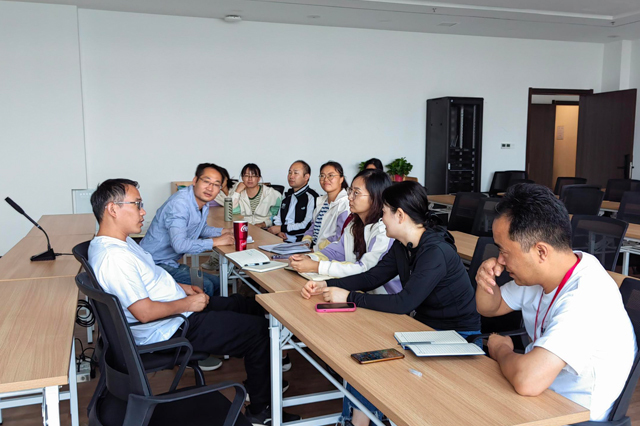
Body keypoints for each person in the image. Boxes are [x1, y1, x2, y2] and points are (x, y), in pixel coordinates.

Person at [87, 179, 300, 425]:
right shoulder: (114, 258)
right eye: (137, 204)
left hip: (174, 312)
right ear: (113, 209)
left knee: (247, 305)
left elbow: (149, 280)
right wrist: (187, 304)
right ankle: (261, 410)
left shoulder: (118, 243)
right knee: (260, 332)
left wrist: (181, 288)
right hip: (169, 326)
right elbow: (144, 312)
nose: (143, 211)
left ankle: (259, 380)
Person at [301, 181, 480, 426]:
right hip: (423, 330)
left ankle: (357, 422)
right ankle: (356, 421)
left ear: (400, 215)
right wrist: (327, 284)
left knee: (374, 362)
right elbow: (372, 277)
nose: (381, 218)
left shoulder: (435, 252)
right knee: (365, 355)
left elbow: (403, 303)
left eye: (384, 212)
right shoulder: (403, 246)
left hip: (456, 337)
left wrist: (349, 297)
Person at [475, 183, 636, 421]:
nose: (500, 260)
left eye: (504, 252)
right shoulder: (546, 272)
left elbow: (528, 381)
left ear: (541, 252)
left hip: (572, 416)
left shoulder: (587, 295)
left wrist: (501, 350)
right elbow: (491, 307)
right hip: (540, 398)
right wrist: (485, 281)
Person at [290, 169, 400, 294]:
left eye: (356, 193)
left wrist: (317, 266)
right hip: (357, 291)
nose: (349, 197)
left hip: (383, 296)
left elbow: (366, 270)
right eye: (350, 191)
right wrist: (308, 258)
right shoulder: (354, 224)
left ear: (375, 197)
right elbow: (335, 251)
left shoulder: (384, 231)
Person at [140, 163, 233, 298]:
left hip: (168, 262)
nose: (210, 188)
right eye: (206, 181)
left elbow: (199, 228)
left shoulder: (200, 202)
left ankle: (215, 310)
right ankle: (198, 311)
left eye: (216, 184)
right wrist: (216, 241)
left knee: (218, 283)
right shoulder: (180, 204)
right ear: (195, 181)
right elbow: (180, 245)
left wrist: (223, 231)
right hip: (153, 264)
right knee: (205, 286)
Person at [301, 161, 350, 250]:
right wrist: (306, 242)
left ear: (341, 179)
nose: (325, 179)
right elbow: (313, 227)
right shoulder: (321, 201)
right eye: (322, 176)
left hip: (330, 252)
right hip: (314, 249)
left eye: (331, 175)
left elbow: (340, 235)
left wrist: (315, 250)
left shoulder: (346, 203)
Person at [267, 160, 318, 242]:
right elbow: (278, 218)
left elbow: (307, 225)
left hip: (300, 242)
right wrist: (279, 231)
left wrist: (282, 228)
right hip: (280, 240)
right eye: (290, 172)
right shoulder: (288, 196)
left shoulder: (312, 197)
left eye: (296, 173)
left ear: (306, 177)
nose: (291, 176)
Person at [231, 163, 282, 227]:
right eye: (246, 175)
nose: (250, 179)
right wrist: (237, 191)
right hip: (245, 227)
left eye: (253, 175)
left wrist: (264, 224)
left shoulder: (271, 193)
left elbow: (279, 215)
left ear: (259, 178)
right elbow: (230, 211)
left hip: (264, 229)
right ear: (242, 178)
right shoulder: (239, 193)